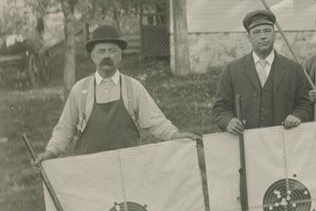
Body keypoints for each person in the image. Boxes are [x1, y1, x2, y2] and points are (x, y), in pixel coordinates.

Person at [35, 25, 197, 162]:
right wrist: (51, 152)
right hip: (89, 171)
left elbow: (156, 121)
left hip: (128, 169)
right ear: (92, 56)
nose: (107, 56)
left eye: (112, 51)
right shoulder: (80, 90)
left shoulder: (133, 87)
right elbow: (65, 129)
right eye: (101, 51)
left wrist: (175, 135)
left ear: (120, 55)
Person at [212, 10, 312, 134]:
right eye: (257, 32)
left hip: (283, 138)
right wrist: (228, 121)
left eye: (267, 31)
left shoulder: (294, 69)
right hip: (245, 139)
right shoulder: (232, 70)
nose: (263, 36)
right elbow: (221, 107)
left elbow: (304, 104)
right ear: (249, 38)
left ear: (274, 35)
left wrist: (297, 116)